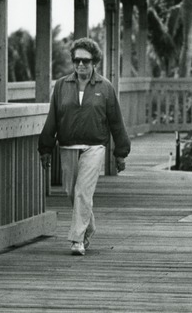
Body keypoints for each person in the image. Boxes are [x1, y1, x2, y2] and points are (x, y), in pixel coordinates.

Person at [38, 37, 130, 256]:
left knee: (82, 191)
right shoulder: (61, 86)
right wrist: (45, 148)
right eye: (77, 60)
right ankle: (89, 228)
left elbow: (116, 121)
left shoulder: (105, 87)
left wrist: (121, 153)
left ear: (94, 62)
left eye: (86, 61)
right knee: (72, 191)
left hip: (94, 146)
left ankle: (77, 240)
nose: (81, 65)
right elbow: (53, 118)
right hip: (68, 146)